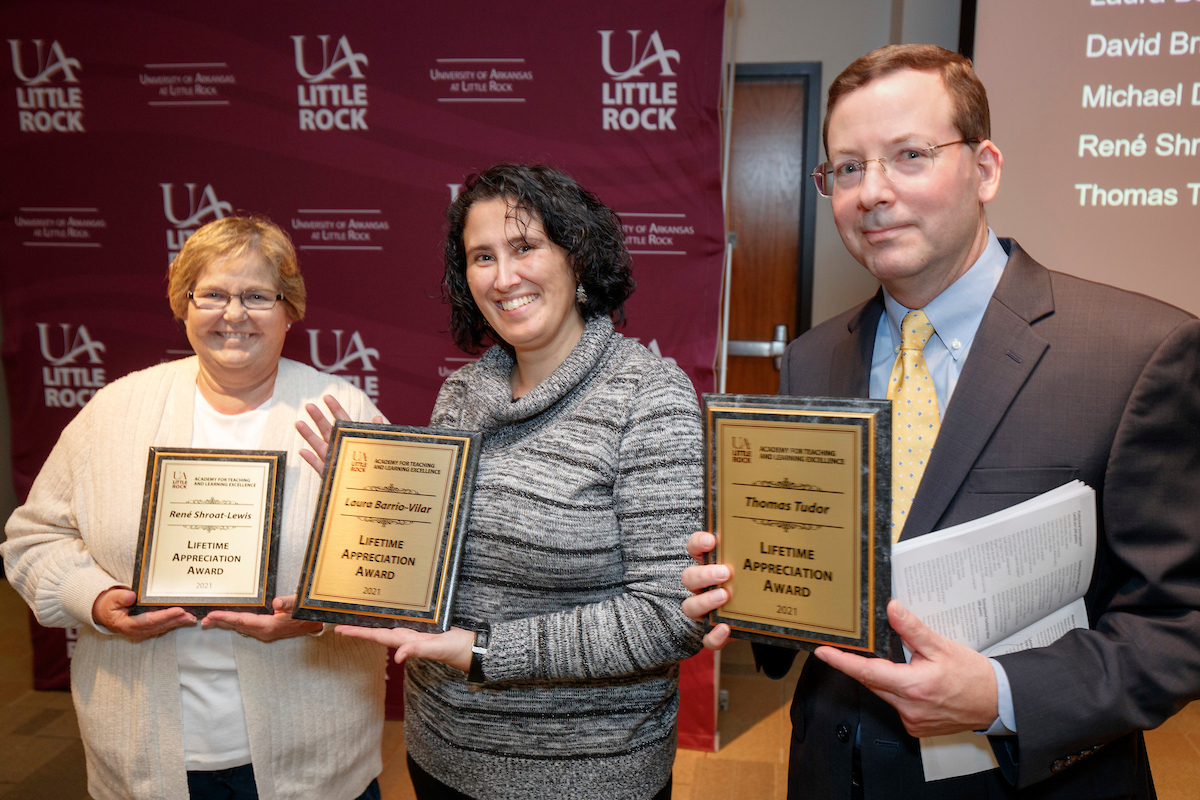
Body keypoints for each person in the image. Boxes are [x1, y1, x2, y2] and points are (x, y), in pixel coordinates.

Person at [682, 44, 1200, 800]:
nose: (872, 193)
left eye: (910, 156)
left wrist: (1002, 696)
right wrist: (743, 584)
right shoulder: (813, 359)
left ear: (986, 168)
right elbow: (814, 586)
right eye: (848, 168)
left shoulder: (1137, 353)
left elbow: (1181, 623)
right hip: (833, 774)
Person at [300, 164, 705, 800]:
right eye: (481, 257)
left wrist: (483, 650)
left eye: (525, 247)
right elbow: (432, 564)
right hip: (443, 753)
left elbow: (667, 616)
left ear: (577, 255)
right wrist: (371, 504)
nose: (503, 277)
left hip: (586, 777)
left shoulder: (650, 396)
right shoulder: (462, 393)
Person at [2, 216, 386, 800]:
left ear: (290, 309)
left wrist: (317, 615)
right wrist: (98, 601)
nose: (234, 314)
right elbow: (34, 538)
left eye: (258, 295)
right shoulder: (115, 410)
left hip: (313, 760)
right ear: (183, 306)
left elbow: (395, 563)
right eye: (211, 294)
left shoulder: (343, 410)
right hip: (146, 759)